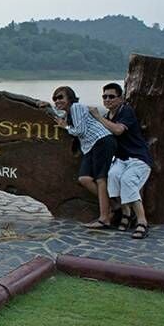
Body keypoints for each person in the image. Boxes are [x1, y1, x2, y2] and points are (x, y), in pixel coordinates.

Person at [91, 82, 153, 239]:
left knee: (127, 180)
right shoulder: (107, 117)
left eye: (111, 96)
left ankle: (142, 222)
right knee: (113, 177)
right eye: (104, 96)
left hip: (137, 159)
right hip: (121, 160)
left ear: (121, 98)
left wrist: (98, 117)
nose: (107, 99)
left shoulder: (126, 111)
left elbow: (118, 130)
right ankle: (126, 214)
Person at [50, 86, 117, 229]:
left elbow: (80, 130)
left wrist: (65, 127)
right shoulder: (69, 113)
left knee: (100, 179)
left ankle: (105, 217)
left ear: (70, 98)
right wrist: (44, 105)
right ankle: (114, 205)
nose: (57, 101)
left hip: (102, 141)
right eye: (55, 99)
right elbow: (59, 115)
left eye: (61, 97)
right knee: (84, 179)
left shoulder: (76, 107)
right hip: (90, 146)